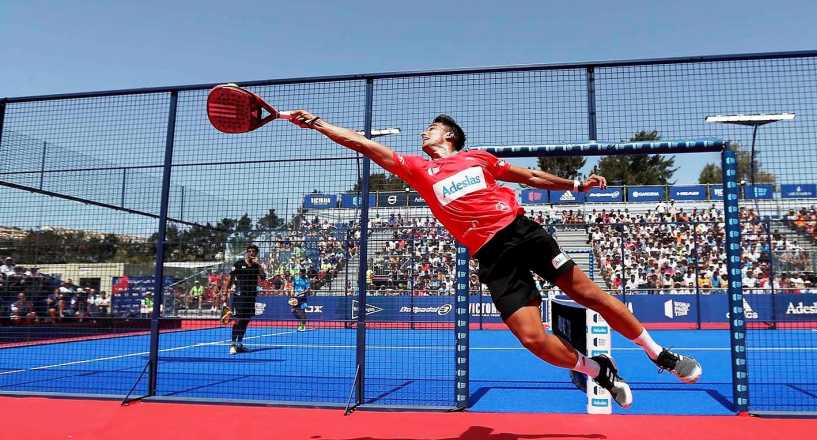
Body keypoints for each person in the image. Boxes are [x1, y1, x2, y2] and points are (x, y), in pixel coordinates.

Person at [283, 111, 701, 409]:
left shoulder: (477, 158)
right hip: (491, 257)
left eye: (430, 128)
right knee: (532, 338)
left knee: (590, 294)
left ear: (448, 136)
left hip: (522, 232)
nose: (423, 133)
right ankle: (598, 371)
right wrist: (318, 124)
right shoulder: (417, 170)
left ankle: (660, 354)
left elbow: (531, 177)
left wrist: (576, 184)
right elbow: (364, 144)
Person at [223, 244, 266, 354]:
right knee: (238, 321)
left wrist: (259, 264)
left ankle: (240, 344)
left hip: (251, 297)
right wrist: (225, 292)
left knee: (246, 321)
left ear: (256, 253)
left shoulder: (256, 266)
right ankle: (233, 344)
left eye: (254, 251)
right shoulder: (238, 264)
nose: (251, 253)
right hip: (239, 297)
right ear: (246, 252)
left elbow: (263, 277)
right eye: (250, 251)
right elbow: (230, 279)